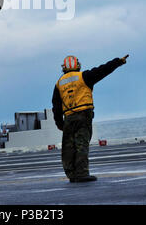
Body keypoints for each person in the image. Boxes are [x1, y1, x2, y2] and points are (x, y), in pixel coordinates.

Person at [52, 54, 129, 183]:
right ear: (77, 65)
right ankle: (82, 173)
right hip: (83, 116)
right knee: (82, 145)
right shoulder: (84, 76)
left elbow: (56, 106)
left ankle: (72, 174)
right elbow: (103, 69)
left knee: (68, 147)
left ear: (64, 68)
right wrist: (118, 61)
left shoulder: (59, 83)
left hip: (69, 118)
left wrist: (60, 124)